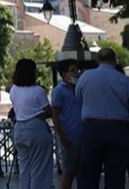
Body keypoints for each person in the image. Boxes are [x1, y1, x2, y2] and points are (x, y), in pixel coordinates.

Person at [75, 48, 129, 189]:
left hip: (92, 128)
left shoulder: (86, 77)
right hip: (119, 129)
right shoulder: (125, 81)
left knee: (88, 173)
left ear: (98, 61)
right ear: (115, 60)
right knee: (116, 176)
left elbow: (78, 96)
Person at [9, 59, 53, 189]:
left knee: (25, 167)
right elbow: (48, 111)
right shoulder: (38, 91)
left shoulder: (14, 89)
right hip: (36, 128)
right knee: (40, 168)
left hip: (19, 130)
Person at [51, 60, 82, 189]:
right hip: (70, 136)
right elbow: (55, 114)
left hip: (84, 136)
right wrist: (62, 136)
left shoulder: (80, 89)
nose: (76, 73)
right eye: (72, 70)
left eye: (77, 70)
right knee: (69, 173)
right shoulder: (59, 91)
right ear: (64, 74)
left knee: (83, 173)